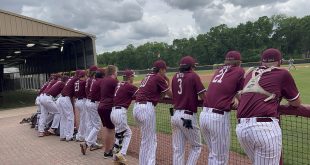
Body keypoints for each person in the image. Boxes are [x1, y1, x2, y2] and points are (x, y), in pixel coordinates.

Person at [236, 48, 301, 165]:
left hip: (242, 129)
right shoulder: (283, 73)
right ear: (280, 62)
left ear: (261, 62)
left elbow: (242, 96)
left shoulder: (250, 73)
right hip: (265, 129)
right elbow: (296, 103)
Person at [200, 51, 244, 165]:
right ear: (239, 62)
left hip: (204, 115)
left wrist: (233, 96)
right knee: (220, 158)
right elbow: (241, 93)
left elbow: (224, 87)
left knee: (213, 154)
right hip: (217, 118)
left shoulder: (218, 70)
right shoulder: (239, 70)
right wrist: (237, 98)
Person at [133, 60, 172, 165]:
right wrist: (168, 81)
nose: (165, 72)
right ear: (161, 69)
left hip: (136, 108)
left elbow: (160, 95)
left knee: (146, 140)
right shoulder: (158, 77)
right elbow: (170, 94)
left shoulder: (148, 76)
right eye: (165, 70)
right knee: (150, 141)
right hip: (145, 109)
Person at [171, 56, 206, 165]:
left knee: (178, 149)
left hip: (174, 115)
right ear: (191, 66)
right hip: (187, 117)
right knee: (196, 146)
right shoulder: (193, 76)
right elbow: (203, 96)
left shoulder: (175, 76)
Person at [110, 69, 138, 164]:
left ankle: (115, 157)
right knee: (127, 134)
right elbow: (140, 94)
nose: (133, 78)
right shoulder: (129, 86)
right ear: (129, 77)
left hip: (113, 112)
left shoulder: (119, 84)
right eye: (133, 77)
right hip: (120, 113)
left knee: (119, 135)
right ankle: (121, 154)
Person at [80, 68, 105, 155]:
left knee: (91, 124)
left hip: (88, 102)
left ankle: (92, 143)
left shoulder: (93, 80)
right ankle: (87, 143)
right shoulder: (99, 80)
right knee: (97, 126)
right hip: (93, 103)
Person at [98, 65, 119, 158]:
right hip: (108, 107)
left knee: (108, 129)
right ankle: (107, 151)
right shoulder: (113, 81)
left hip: (101, 106)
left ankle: (108, 150)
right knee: (111, 130)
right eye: (116, 71)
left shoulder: (103, 80)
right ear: (113, 72)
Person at [58, 71, 79, 141]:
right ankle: (69, 136)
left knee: (63, 118)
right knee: (70, 118)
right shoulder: (76, 79)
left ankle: (63, 135)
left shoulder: (71, 78)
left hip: (61, 98)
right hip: (65, 99)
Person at [74, 70, 87, 142]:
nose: (86, 77)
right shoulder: (83, 82)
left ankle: (80, 135)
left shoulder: (76, 82)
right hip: (82, 101)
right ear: (84, 76)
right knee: (83, 120)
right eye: (85, 76)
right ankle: (80, 136)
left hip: (77, 101)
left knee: (83, 119)